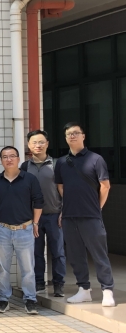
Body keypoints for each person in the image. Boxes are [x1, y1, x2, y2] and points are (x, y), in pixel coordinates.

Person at [54, 122, 115, 307]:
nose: (72, 136)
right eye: (68, 134)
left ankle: (107, 290)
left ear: (83, 136)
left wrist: (98, 207)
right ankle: (83, 289)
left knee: (99, 254)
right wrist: (65, 208)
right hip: (69, 216)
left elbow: (105, 186)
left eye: (75, 133)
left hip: (91, 215)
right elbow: (61, 187)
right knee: (75, 255)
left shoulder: (96, 159)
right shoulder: (62, 162)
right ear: (65, 138)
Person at [0, 146, 43, 315]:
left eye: (12, 156)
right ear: (1, 160)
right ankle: (3, 300)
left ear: (19, 159)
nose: (9, 159)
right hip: (2, 229)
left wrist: (35, 223)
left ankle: (30, 300)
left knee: (28, 268)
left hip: (25, 229)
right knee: (2, 268)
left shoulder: (30, 179)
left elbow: (38, 202)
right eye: (5, 157)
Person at [23, 130, 66, 297]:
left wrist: (64, 211)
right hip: (34, 218)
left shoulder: (56, 164)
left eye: (41, 142)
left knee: (58, 252)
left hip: (55, 215)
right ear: (29, 145)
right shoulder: (25, 167)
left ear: (47, 144)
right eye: (34, 142)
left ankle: (59, 284)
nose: (38, 145)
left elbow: (65, 190)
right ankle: (39, 282)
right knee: (36, 252)